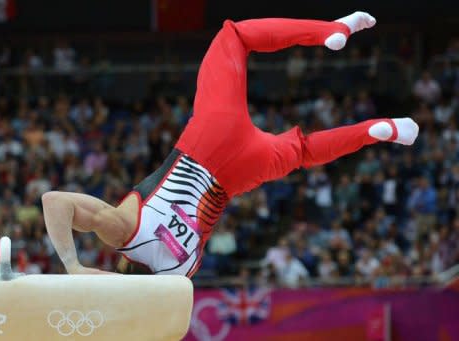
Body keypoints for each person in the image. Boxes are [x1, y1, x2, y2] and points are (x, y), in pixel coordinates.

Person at [42, 12, 419, 276]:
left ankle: (381, 128)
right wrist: (74, 266)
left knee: (303, 151)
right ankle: (329, 31)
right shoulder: (123, 231)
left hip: (238, 176)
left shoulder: (181, 273)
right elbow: (54, 201)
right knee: (234, 36)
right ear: (120, 264)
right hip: (207, 142)